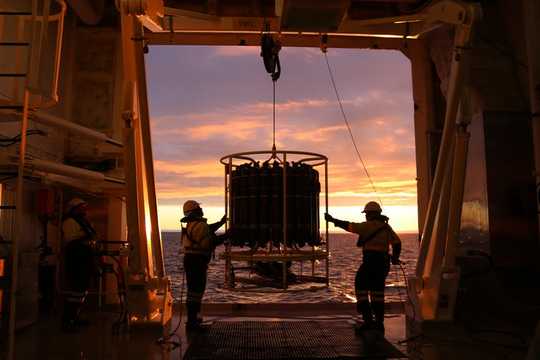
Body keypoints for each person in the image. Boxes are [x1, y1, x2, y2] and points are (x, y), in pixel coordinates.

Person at [325, 201, 401, 333]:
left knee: (360, 287)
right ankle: (378, 324)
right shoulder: (387, 228)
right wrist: (395, 258)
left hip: (370, 263)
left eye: (366, 214)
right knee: (378, 293)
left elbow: (348, 225)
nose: (365, 216)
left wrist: (332, 220)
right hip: (383, 264)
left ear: (370, 214)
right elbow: (397, 243)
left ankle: (368, 321)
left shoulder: (366, 226)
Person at [181, 200, 228, 331]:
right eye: (199, 208)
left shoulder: (193, 224)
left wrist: (221, 223)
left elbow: (208, 229)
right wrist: (227, 235)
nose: (201, 209)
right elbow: (211, 241)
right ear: (195, 211)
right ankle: (192, 323)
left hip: (191, 261)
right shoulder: (200, 225)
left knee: (193, 292)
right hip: (197, 262)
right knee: (196, 292)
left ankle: (192, 319)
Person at [61, 198, 98, 331]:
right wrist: (86, 238)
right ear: (75, 208)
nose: (85, 210)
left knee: (81, 290)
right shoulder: (69, 222)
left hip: (84, 259)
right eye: (82, 207)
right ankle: (68, 320)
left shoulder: (82, 222)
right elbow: (72, 240)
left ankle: (74, 317)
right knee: (76, 290)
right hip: (76, 259)